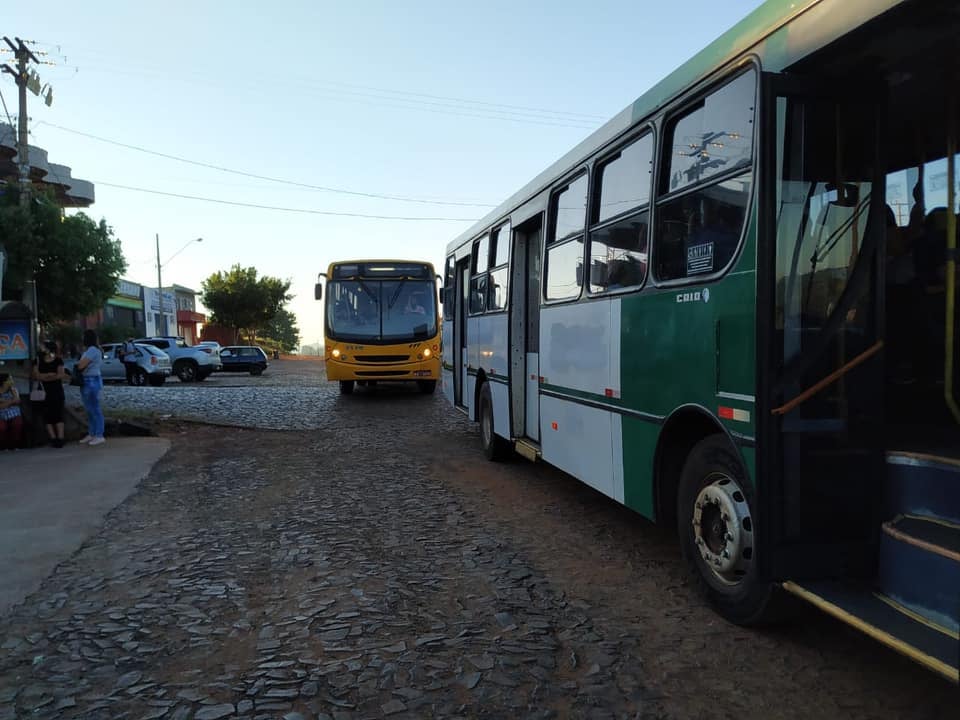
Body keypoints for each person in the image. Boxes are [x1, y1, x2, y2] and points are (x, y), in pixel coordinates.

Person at [32, 340, 68, 448]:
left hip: (57, 391)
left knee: (58, 414)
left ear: (48, 349)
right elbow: (36, 376)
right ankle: (53, 438)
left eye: (43, 346)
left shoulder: (58, 360)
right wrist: (50, 375)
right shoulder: (38, 360)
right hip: (44, 391)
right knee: (47, 416)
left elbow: (60, 375)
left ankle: (60, 438)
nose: (41, 348)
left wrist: (45, 376)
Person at [76, 329, 106, 446]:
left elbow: (81, 365)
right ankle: (92, 433)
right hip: (88, 380)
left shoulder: (93, 350)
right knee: (89, 409)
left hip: (92, 380)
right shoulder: (90, 350)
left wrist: (79, 363)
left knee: (94, 408)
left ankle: (99, 434)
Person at [0, 372, 23, 451]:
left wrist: (5, 401)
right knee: (2, 428)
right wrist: (11, 402)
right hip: (1, 413)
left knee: (17, 424)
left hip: (14, 412)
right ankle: (3, 445)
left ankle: (14, 445)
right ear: (4, 381)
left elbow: (17, 400)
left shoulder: (13, 389)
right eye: (9, 379)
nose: (12, 381)